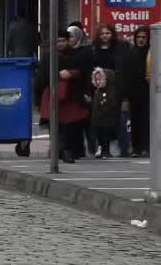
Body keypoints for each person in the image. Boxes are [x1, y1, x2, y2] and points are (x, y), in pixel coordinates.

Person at [36, 30, 89, 163]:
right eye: (57, 41)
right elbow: (43, 77)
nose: (60, 44)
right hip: (53, 95)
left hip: (71, 96)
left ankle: (70, 150)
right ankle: (61, 151)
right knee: (56, 127)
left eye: (63, 41)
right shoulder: (48, 56)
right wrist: (58, 76)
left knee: (70, 126)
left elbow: (83, 72)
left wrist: (72, 73)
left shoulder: (75, 55)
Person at [90, 23, 134, 157]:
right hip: (98, 87)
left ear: (112, 34)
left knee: (116, 118)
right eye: (102, 34)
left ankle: (122, 147)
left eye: (107, 33)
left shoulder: (119, 47)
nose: (105, 36)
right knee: (100, 118)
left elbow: (122, 67)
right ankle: (103, 147)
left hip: (115, 87)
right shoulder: (94, 49)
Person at [67, 25, 95, 158]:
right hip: (71, 91)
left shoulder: (86, 51)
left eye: (71, 36)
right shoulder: (68, 51)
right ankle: (79, 149)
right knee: (75, 121)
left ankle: (92, 147)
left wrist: (88, 91)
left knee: (86, 120)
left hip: (84, 89)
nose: (69, 39)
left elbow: (87, 72)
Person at [130, 26, 151, 157]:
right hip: (134, 91)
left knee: (146, 120)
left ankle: (146, 147)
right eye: (138, 37)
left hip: (148, 91)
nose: (141, 40)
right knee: (135, 119)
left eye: (144, 37)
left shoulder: (151, 53)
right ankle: (136, 148)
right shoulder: (131, 52)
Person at [90, 67, 119, 159]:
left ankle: (106, 151)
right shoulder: (97, 91)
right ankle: (101, 149)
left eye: (101, 79)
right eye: (97, 80)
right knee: (100, 136)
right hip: (98, 120)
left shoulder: (111, 91)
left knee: (106, 136)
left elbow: (110, 104)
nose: (98, 82)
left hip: (106, 119)